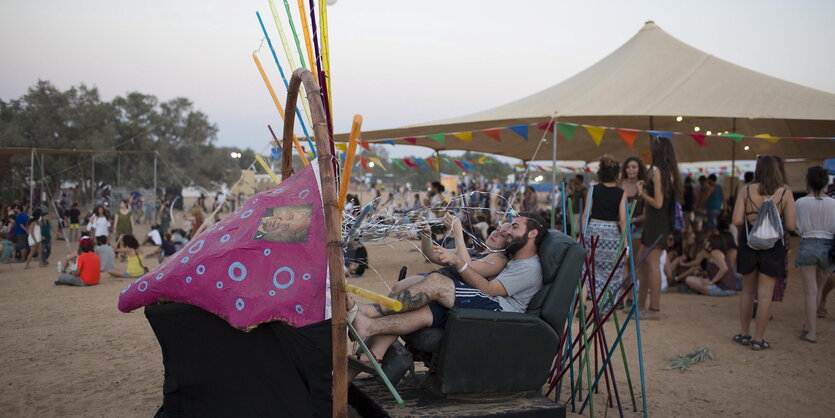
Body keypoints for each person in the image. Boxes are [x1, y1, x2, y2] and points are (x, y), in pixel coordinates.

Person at [349, 213, 546, 371]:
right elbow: (437, 256)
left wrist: (458, 254)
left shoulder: (526, 266)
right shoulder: (515, 259)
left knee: (436, 282)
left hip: (501, 313)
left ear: (532, 234)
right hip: (490, 302)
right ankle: (369, 340)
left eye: (514, 228)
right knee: (422, 311)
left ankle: (368, 313)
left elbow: (490, 289)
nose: (508, 232)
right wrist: (428, 236)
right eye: (506, 228)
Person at [732, 155, 796, 350]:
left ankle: (744, 334)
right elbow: (791, 225)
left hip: (749, 244)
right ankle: (759, 340)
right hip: (773, 247)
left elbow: (736, 220)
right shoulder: (785, 192)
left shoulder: (746, 190)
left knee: (747, 291)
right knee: (765, 295)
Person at [634, 136, 680, 319]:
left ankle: (653, 309)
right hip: (655, 224)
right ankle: (640, 306)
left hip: (657, 225)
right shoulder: (669, 172)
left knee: (651, 265)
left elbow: (658, 203)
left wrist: (642, 193)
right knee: (643, 264)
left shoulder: (660, 172)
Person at [794, 166, 835, 343]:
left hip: (808, 244)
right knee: (818, 289)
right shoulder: (833, 203)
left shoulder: (801, 203)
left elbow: (796, 228)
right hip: (828, 247)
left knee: (810, 292)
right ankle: (809, 326)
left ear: (808, 181)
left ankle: (810, 330)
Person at [583, 157, 627, 312]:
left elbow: (585, 214)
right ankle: (605, 305)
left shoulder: (593, 189)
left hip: (593, 231)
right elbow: (623, 220)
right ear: (617, 175)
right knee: (612, 271)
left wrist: (582, 235)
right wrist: (625, 243)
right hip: (612, 235)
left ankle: (581, 305)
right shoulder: (621, 193)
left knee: (587, 268)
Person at [618, 157, 646, 308]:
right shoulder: (619, 184)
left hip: (637, 229)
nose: (631, 169)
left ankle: (629, 297)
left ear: (639, 168)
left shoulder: (643, 186)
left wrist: (632, 219)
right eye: (628, 166)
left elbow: (648, 213)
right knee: (621, 264)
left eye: (634, 167)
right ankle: (619, 297)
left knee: (633, 263)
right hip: (620, 228)